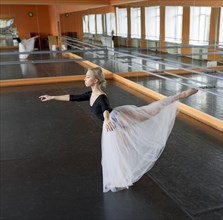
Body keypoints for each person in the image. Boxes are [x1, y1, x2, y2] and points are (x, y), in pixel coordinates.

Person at [39, 67, 198, 192]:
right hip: (114, 125)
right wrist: (53, 97)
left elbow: (105, 107)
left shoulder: (101, 95)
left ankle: (179, 95)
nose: (84, 78)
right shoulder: (90, 94)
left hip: (118, 119)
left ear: (95, 80)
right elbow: (72, 97)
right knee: (119, 152)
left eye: (87, 76)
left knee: (149, 112)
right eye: (85, 76)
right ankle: (122, 178)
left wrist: (107, 119)